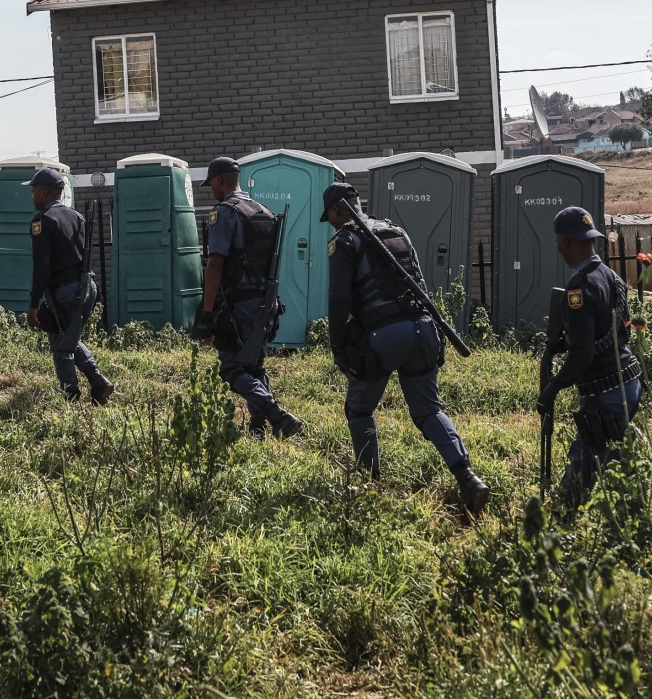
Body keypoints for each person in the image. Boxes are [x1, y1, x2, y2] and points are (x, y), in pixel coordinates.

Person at [323, 181, 487, 516]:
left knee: (359, 410)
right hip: (423, 330)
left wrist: (338, 348)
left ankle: (370, 485)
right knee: (429, 411)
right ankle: (468, 478)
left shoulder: (344, 240)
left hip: (383, 337)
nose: (331, 223)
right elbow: (420, 284)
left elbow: (340, 299)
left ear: (338, 210)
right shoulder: (396, 231)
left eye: (330, 217)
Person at [190, 156, 304, 438]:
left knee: (230, 368)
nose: (212, 190)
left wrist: (206, 314)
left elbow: (215, 264)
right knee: (253, 365)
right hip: (265, 303)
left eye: (212, 185)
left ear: (220, 180)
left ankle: (277, 414)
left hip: (237, 304)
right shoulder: (262, 210)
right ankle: (258, 428)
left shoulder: (226, 212)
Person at [539, 205, 642, 507]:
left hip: (605, 392)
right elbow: (615, 333)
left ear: (566, 242)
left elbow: (583, 355)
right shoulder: (612, 277)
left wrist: (551, 388)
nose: (558, 248)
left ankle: (562, 524)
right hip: (629, 382)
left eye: (558, 241)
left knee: (584, 462)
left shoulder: (579, 287)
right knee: (612, 456)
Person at [25, 168, 113, 405]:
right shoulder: (77, 216)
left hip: (64, 290)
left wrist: (33, 305)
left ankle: (71, 395)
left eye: (34, 191)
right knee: (68, 336)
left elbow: (41, 267)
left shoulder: (43, 220)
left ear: (45, 192)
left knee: (61, 346)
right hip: (87, 288)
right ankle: (98, 381)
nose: (32, 196)